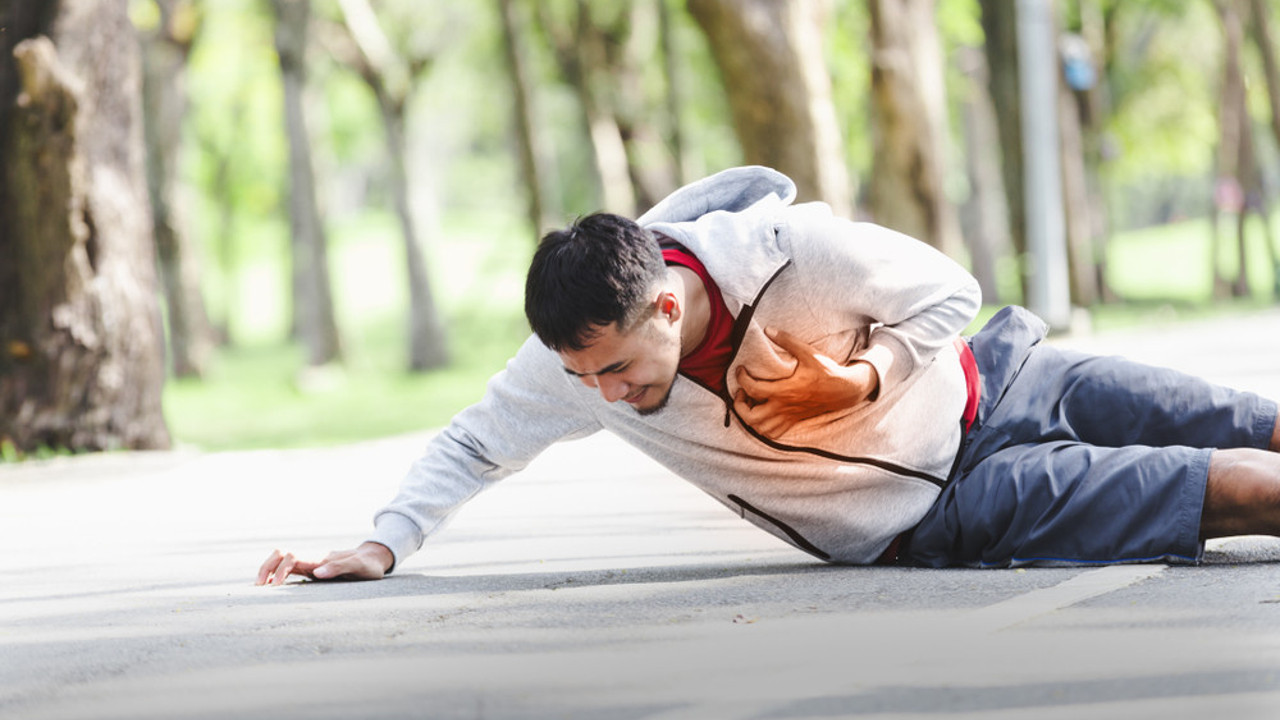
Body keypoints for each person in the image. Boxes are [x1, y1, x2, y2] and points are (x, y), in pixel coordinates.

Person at [258, 166, 1280, 585]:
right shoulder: (574, 364)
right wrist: (380, 546)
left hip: (1002, 379)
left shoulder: (792, 251)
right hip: (942, 509)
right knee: (1242, 487)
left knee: (1254, 420)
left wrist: (862, 381)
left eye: (614, 369)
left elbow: (946, 291)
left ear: (664, 302)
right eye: (583, 380)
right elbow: (472, 443)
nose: (601, 396)